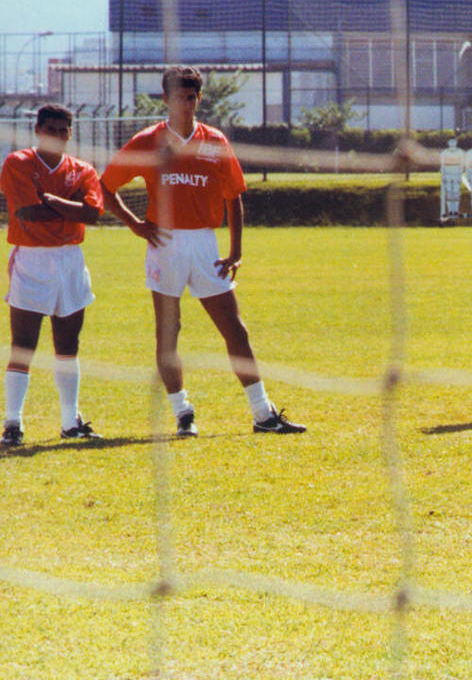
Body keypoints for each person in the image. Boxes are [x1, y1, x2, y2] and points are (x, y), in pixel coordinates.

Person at [100, 65, 305, 437]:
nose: (186, 103)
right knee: (169, 332)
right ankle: (183, 414)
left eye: (192, 97)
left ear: (199, 98)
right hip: (165, 245)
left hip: (206, 245)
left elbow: (234, 196)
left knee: (235, 329)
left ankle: (263, 414)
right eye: (179, 96)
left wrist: (235, 250)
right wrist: (135, 224)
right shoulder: (148, 141)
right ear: (165, 99)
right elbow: (106, 186)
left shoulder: (215, 140)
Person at [0, 104, 105, 446]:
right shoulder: (18, 163)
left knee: (68, 343)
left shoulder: (83, 169)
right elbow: (28, 213)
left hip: (70, 259)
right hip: (32, 260)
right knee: (24, 345)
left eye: (64, 131)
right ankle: (12, 423)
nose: (58, 136)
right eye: (51, 130)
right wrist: (69, 205)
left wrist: (51, 199)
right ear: (38, 131)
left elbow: (92, 214)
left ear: (70, 133)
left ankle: (69, 421)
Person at [439, 138, 465, 220]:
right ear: (448, 143)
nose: (452, 143)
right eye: (451, 142)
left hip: (456, 175)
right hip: (448, 175)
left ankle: (455, 211)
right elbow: (442, 165)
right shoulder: (445, 153)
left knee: (456, 192)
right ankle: (450, 211)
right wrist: (443, 175)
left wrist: (460, 174)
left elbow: (462, 165)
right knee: (449, 193)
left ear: (456, 143)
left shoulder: (460, 152)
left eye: (454, 142)